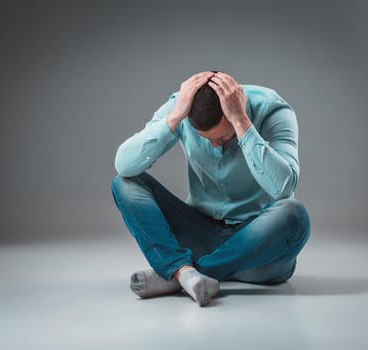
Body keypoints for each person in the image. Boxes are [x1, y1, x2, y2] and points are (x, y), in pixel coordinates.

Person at [111, 71, 310, 306]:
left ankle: (180, 273)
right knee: (125, 183)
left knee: (293, 213)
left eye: (224, 137)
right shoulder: (182, 106)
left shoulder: (273, 110)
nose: (215, 144)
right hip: (199, 236)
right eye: (206, 138)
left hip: (257, 251)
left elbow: (284, 188)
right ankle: (186, 273)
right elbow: (124, 165)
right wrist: (174, 117)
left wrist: (241, 123)